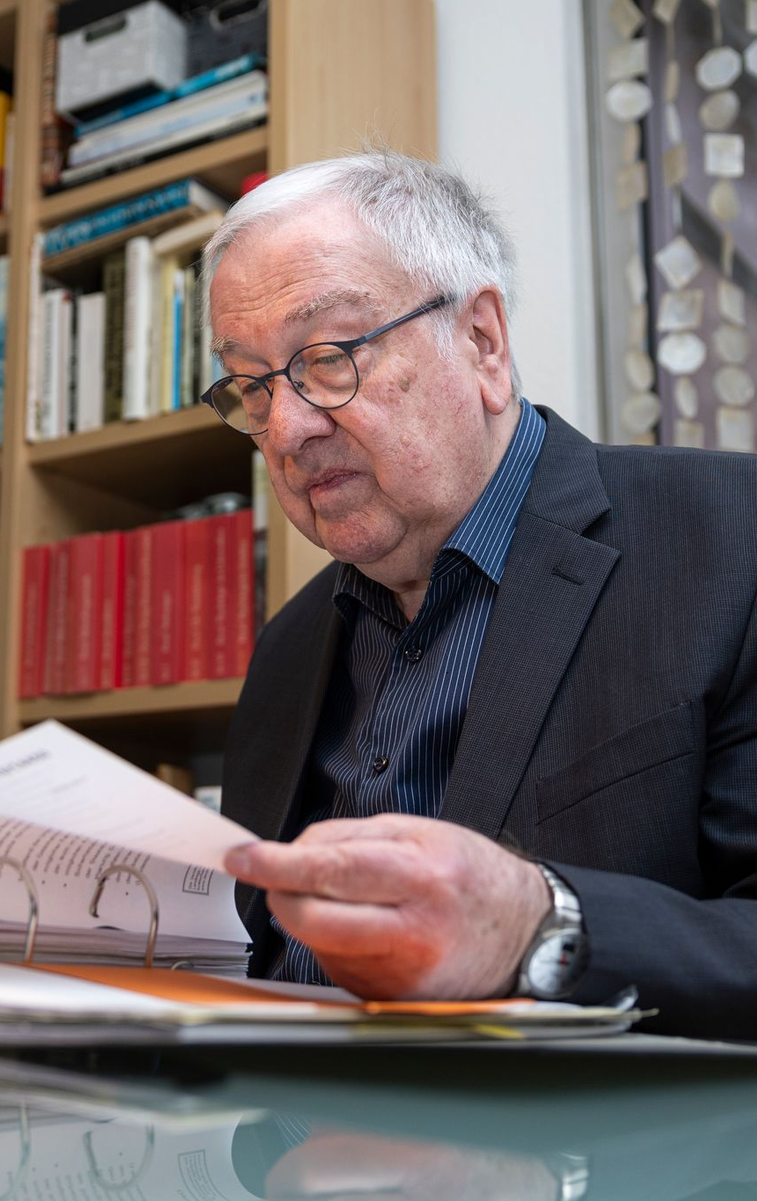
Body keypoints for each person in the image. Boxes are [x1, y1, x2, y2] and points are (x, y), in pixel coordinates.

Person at [203, 150, 757, 1040]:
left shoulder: (732, 538)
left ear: (483, 341)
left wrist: (543, 926)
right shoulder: (285, 648)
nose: (289, 428)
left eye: (329, 358)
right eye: (253, 387)